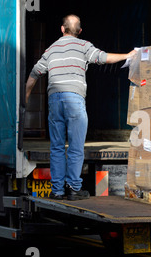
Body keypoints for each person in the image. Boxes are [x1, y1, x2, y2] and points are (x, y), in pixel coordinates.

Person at [25, 14, 136, 200]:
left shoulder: (51, 49)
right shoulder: (84, 46)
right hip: (74, 100)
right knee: (75, 147)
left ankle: (58, 191)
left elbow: (35, 73)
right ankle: (74, 189)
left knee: (57, 147)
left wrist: (26, 98)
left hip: (54, 101)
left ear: (62, 29)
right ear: (80, 31)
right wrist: (127, 55)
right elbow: (104, 58)